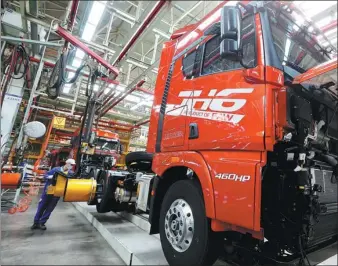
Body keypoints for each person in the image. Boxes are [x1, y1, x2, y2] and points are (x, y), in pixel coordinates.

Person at [31, 158, 76, 230]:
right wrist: (50, 177)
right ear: (67, 163)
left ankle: (42, 223)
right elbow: (45, 176)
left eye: (72, 165)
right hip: (48, 190)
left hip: (57, 193)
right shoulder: (56, 170)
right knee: (41, 207)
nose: (71, 166)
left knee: (49, 209)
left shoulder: (70, 173)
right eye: (70, 165)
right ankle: (36, 222)